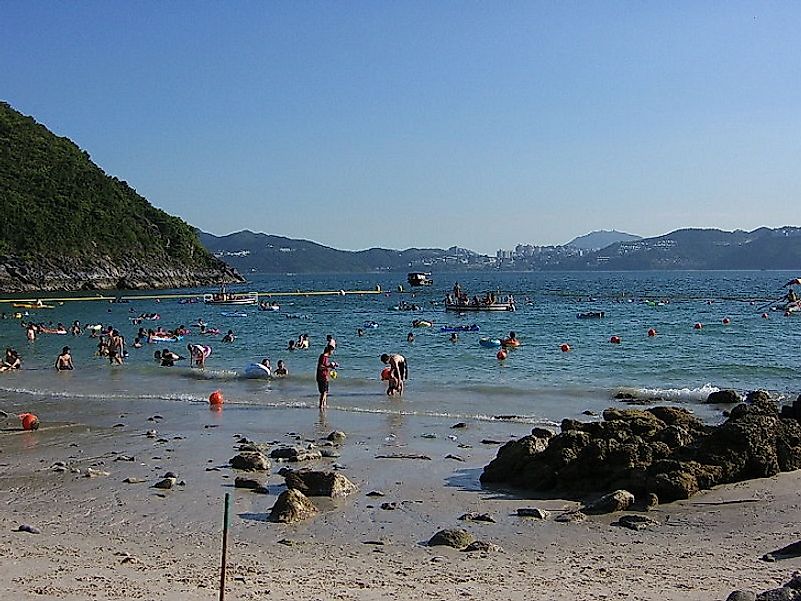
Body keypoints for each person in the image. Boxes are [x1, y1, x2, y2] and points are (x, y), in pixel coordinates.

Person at [316, 344, 335, 409]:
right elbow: (320, 367)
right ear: (330, 350)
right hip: (322, 376)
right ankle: (321, 406)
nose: (332, 352)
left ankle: (324, 405)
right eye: (332, 351)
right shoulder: (324, 357)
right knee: (323, 392)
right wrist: (329, 366)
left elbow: (325, 365)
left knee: (325, 392)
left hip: (324, 376)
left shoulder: (325, 357)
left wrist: (332, 365)